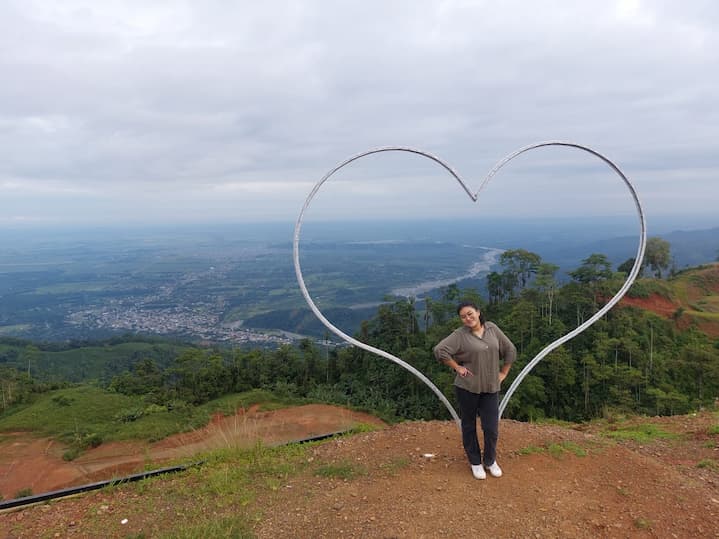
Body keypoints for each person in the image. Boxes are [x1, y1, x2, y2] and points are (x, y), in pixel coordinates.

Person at [433, 301, 516, 480]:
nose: (467, 318)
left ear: (478, 312)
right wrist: (457, 367)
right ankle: (475, 462)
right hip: (467, 387)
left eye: (470, 314)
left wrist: (503, 372)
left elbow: (510, 350)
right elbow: (440, 351)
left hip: (491, 388)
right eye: (463, 317)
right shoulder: (460, 335)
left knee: (491, 427)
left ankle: (490, 460)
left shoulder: (492, 329)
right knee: (469, 425)